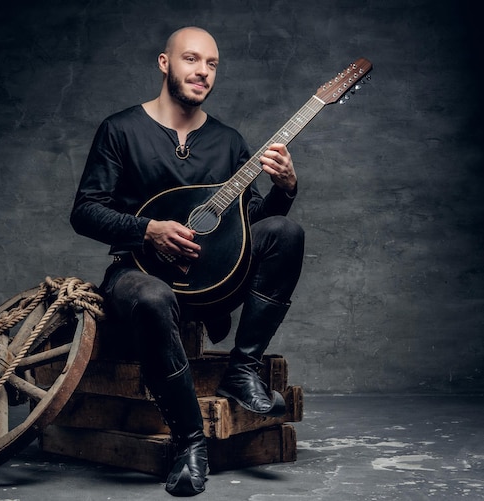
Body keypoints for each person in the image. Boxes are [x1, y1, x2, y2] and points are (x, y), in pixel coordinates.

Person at [70, 26, 304, 497]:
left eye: (211, 64)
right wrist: (147, 230)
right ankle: (190, 442)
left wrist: (285, 189)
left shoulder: (229, 141)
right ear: (164, 63)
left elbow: (250, 222)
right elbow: (85, 211)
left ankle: (242, 371)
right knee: (153, 295)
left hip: (216, 282)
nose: (202, 72)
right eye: (191, 60)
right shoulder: (121, 130)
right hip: (136, 276)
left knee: (286, 232)